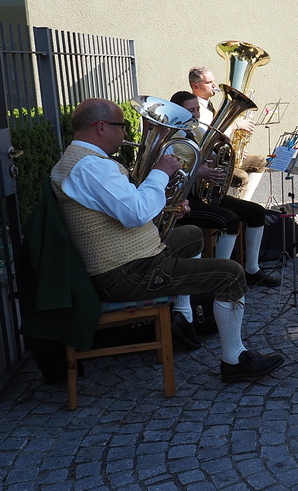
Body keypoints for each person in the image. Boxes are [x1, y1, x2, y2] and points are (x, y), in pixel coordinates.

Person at [50, 98, 284, 382]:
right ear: (101, 127)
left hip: (127, 258)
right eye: (121, 126)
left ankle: (183, 315)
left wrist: (165, 204)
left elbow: (122, 205)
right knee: (231, 274)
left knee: (193, 235)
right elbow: (135, 213)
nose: (125, 133)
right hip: (124, 273)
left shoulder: (82, 160)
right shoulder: (90, 167)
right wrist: (160, 172)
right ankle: (234, 361)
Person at [170, 91, 280, 288]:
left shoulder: (197, 131)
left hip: (205, 195)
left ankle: (252, 269)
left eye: (197, 109)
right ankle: (224, 276)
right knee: (229, 219)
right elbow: (169, 171)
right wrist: (198, 172)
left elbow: (213, 156)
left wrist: (222, 148)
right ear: (177, 111)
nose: (196, 114)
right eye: (190, 110)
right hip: (183, 200)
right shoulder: (171, 136)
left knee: (256, 212)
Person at [188, 66, 267, 201]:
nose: (214, 85)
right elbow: (208, 137)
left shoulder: (209, 105)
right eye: (209, 82)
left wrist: (236, 150)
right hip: (210, 159)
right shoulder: (196, 110)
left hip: (221, 155)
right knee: (242, 177)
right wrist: (236, 125)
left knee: (259, 161)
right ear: (196, 86)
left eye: (214, 81)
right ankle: (233, 203)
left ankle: (246, 200)